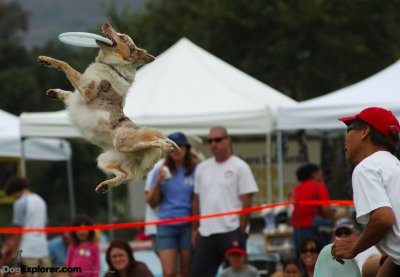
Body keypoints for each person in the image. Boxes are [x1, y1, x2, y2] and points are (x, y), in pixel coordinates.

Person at [333, 107, 400, 276]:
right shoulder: (394, 166)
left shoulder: (367, 167)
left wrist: (354, 249)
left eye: (349, 129)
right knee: (370, 269)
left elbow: (383, 218)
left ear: (365, 132)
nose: (345, 139)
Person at [190, 126, 259, 277]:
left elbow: (247, 201)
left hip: (232, 231)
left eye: (218, 139)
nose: (214, 143)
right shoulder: (202, 168)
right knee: (197, 273)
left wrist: (241, 230)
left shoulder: (240, 167)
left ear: (228, 140)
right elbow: (196, 201)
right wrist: (195, 229)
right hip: (206, 232)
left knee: (237, 274)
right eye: (210, 140)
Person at [146, 132, 197, 277]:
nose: (176, 150)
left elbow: (197, 201)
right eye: (172, 146)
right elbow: (151, 202)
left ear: (187, 149)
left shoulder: (195, 170)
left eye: (180, 146)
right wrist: (157, 183)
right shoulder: (160, 170)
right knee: (169, 273)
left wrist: (195, 229)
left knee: (186, 272)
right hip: (166, 225)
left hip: (188, 226)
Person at [4, 176, 51, 277]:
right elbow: (46, 226)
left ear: (15, 191)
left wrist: (15, 253)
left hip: (27, 251)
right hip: (42, 250)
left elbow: (18, 230)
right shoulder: (41, 201)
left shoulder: (19, 203)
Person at [290, 163, 333, 256]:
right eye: (319, 172)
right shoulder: (318, 187)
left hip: (297, 230)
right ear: (314, 174)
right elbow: (326, 210)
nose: (321, 174)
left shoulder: (297, 189)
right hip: (314, 230)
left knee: (302, 259)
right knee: (320, 258)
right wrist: (334, 219)